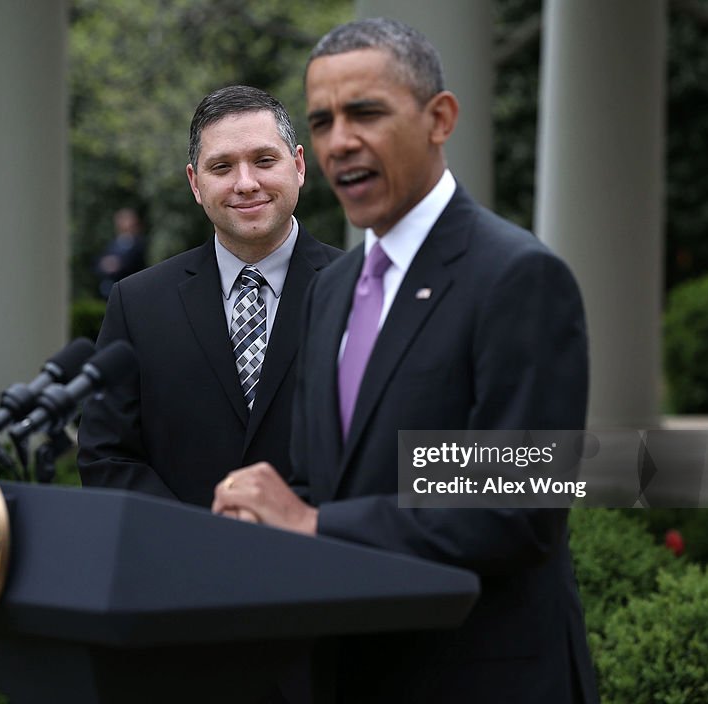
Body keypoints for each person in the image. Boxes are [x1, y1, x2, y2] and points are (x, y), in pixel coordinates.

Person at [212, 19, 599, 703]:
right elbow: (318, 481)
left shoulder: (518, 278)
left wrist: (314, 524)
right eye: (323, 121)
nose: (339, 141)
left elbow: (518, 504)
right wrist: (260, 523)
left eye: (365, 113)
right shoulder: (330, 289)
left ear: (439, 119)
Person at [78, 85, 341, 509]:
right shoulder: (138, 304)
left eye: (264, 160)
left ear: (298, 166)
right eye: (222, 167)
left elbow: (402, 451)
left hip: (330, 562)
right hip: (178, 565)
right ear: (195, 183)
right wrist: (194, 539)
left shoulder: (364, 292)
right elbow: (106, 455)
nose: (246, 183)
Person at [96, 207, 148, 298]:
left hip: (130, 285)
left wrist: (118, 264)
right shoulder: (114, 243)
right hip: (112, 286)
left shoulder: (138, 242)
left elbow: (136, 262)